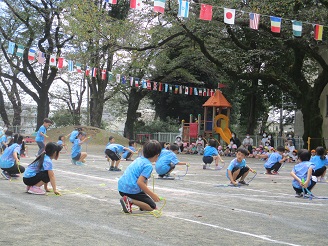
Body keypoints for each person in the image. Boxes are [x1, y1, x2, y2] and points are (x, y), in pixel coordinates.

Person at [118, 140, 162, 213]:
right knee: (152, 207)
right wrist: (152, 195)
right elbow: (140, 182)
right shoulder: (148, 166)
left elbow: (144, 182)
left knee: (144, 201)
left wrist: (145, 195)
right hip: (131, 190)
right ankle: (129, 200)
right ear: (157, 155)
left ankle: (136, 202)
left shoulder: (139, 159)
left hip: (121, 188)